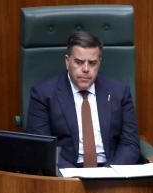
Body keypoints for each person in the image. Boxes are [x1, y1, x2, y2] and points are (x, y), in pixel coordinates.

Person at [26, 31, 142, 168]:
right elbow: (42, 147)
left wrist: (109, 173)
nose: (86, 69)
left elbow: (130, 144)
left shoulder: (119, 92)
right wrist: (74, 176)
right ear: (67, 61)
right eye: (79, 62)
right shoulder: (43, 95)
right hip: (66, 174)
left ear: (99, 63)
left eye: (92, 63)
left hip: (110, 170)